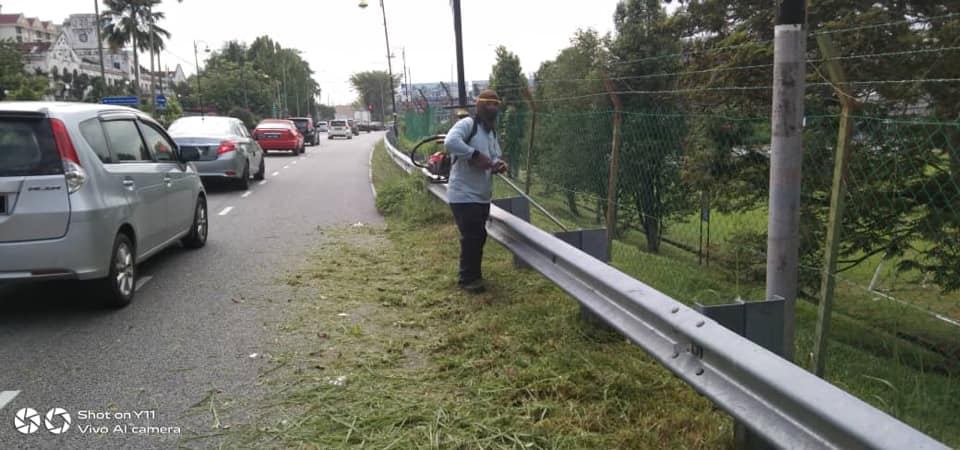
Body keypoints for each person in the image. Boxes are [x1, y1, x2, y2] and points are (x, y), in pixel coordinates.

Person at [443, 89, 509, 293]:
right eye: (488, 104)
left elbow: (494, 156)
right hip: (463, 194)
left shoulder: (491, 132)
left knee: (478, 237)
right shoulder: (467, 124)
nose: (492, 108)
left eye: (496, 105)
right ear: (479, 106)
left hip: (482, 195)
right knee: (474, 235)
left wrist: (497, 164)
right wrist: (474, 155)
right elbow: (450, 142)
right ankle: (467, 279)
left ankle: (474, 276)